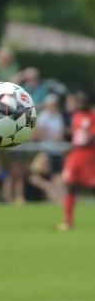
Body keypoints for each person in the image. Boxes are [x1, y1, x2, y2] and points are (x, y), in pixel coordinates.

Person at [57, 91, 95, 231]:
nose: (80, 103)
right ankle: (68, 222)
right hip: (75, 155)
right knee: (70, 186)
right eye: (78, 101)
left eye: (82, 101)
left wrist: (88, 139)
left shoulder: (92, 116)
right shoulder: (76, 116)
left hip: (89, 157)